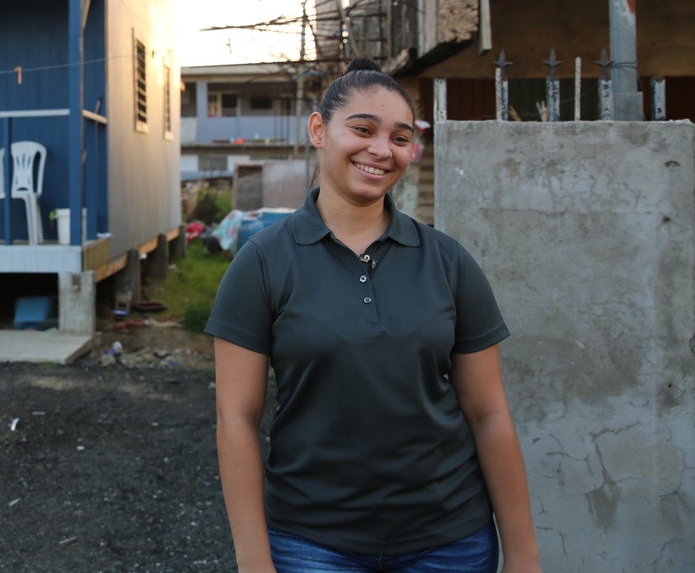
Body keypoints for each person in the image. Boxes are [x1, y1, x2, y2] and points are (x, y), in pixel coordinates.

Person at [205, 58, 541, 573]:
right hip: (310, 543)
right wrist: (254, 560)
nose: (382, 150)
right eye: (363, 129)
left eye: (400, 137)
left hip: (449, 541)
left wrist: (523, 554)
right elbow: (236, 420)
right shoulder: (265, 261)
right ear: (319, 130)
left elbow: (489, 414)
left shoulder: (447, 260)